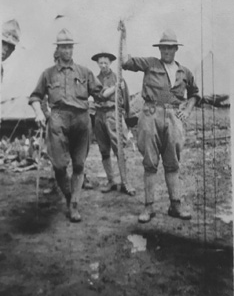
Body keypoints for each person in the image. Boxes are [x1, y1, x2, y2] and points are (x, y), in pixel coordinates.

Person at [121, 24, 201, 223]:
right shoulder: (150, 64)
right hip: (150, 115)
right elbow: (125, 62)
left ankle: (175, 205)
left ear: (176, 49)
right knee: (150, 163)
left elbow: (195, 95)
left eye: (170, 47)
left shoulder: (184, 73)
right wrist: (123, 35)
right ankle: (149, 207)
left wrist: (188, 109)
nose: (166, 51)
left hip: (174, 118)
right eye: (163, 47)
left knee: (172, 163)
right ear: (159, 49)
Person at [29, 29, 103, 222]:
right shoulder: (48, 74)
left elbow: (100, 94)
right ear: (58, 49)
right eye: (64, 47)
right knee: (60, 165)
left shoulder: (84, 72)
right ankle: (70, 196)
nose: (68, 50)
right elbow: (35, 96)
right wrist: (39, 112)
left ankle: (75, 205)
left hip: (81, 120)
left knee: (79, 164)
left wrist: (116, 88)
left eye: (70, 46)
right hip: (58, 120)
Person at [91, 52, 135, 196]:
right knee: (104, 150)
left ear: (110, 63)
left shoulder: (118, 78)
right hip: (99, 116)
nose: (103, 65)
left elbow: (126, 99)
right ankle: (111, 180)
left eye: (106, 63)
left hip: (113, 114)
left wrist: (128, 119)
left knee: (119, 149)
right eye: (100, 63)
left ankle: (125, 182)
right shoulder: (95, 80)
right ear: (97, 63)